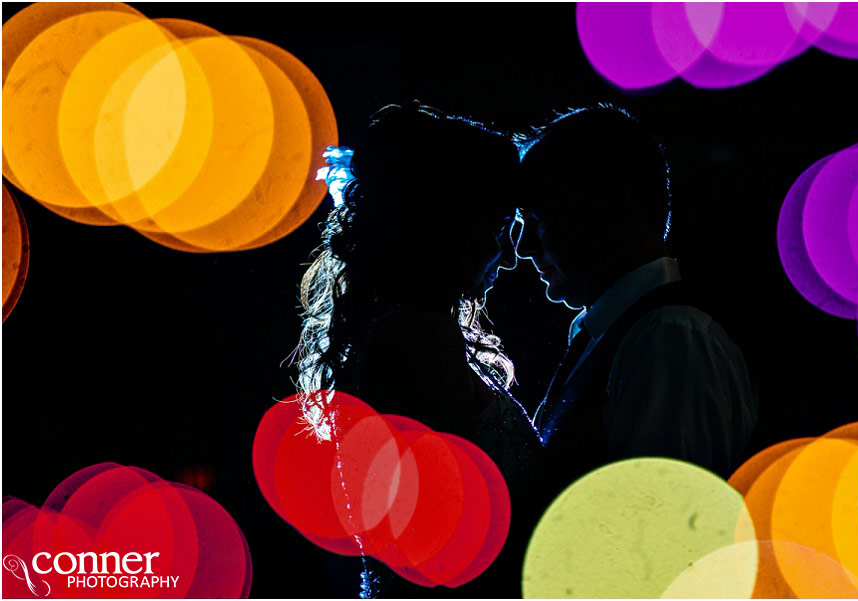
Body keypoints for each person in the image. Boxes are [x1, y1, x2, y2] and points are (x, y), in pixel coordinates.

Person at [292, 102, 540, 598]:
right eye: (497, 228)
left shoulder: (401, 329)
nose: (510, 255)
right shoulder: (416, 341)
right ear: (447, 228)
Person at [516, 104, 757, 497]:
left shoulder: (670, 340)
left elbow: (662, 529)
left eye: (539, 219)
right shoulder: (633, 334)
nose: (524, 248)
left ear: (611, 203)